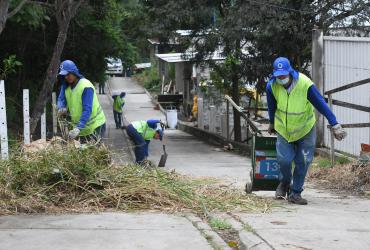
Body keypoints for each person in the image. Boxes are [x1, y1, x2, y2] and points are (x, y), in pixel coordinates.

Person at [266, 57, 347, 205]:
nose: (281, 78)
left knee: (302, 161)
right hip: (284, 129)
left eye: (283, 75)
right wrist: (272, 122)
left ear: (290, 72)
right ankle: (284, 183)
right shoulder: (272, 86)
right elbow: (271, 106)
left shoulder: (305, 84)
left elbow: (320, 103)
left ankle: (295, 193)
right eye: (278, 76)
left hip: (305, 129)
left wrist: (334, 123)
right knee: (284, 160)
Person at [57, 60, 106, 143]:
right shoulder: (66, 86)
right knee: (81, 152)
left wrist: (78, 128)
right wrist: (61, 107)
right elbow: (61, 99)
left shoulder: (85, 86)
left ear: (74, 72)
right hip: (81, 129)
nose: (66, 77)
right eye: (64, 75)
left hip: (96, 126)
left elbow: (87, 110)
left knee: (93, 153)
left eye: (68, 74)